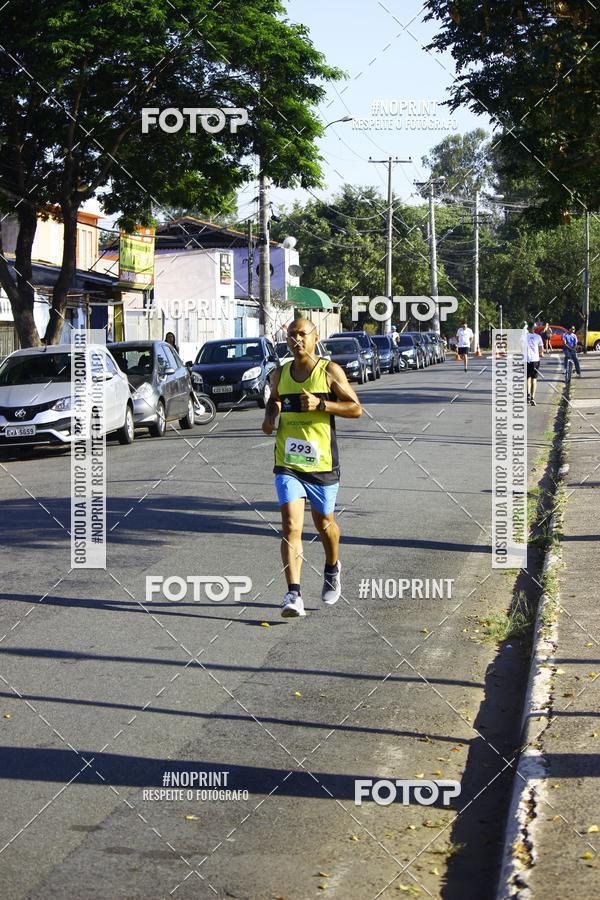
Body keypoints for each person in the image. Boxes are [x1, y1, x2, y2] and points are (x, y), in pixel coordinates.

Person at [261, 318, 362, 618]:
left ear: (315, 338)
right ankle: (293, 594)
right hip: (288, 463)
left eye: (302, 334)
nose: (296, 340)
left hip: (322, 464)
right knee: (291, 526)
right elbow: (274, 400)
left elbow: (355, 408)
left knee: (324, 523)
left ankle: (332, 567)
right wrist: (270, 417)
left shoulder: (329, 371)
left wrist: (321, 404)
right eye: (291, 335)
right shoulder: (280, 373)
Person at [526, 322, 544, 405]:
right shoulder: (538, 337)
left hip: (526, 360)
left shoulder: (524, 336)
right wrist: (541, 353)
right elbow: (541, 348)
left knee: (528, 378)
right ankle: (532, 397)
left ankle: (528, 395)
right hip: (535, 360)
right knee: (534, 378)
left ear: (528, 328)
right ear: (534, 328)